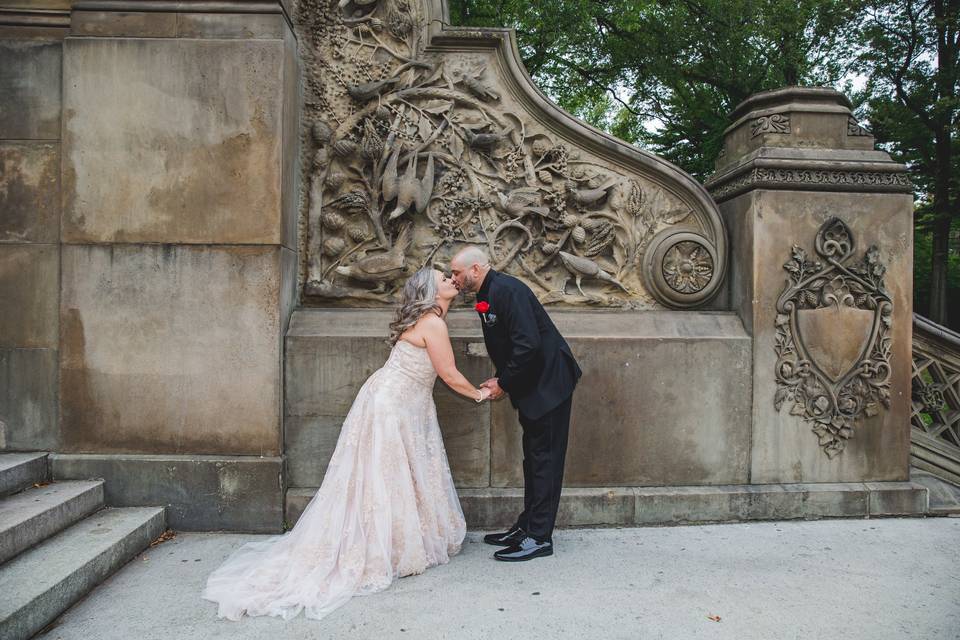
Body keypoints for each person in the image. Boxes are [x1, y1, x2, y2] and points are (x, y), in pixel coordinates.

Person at [202, 267, 491, 621]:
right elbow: (448, 374)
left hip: (396, 402)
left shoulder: (430, 320)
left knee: (382, 476)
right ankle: (389, 546)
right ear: (431, 291)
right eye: (443, 277)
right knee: (386, 476)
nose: (450, 280)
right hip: (394, 406)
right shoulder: (433, 323)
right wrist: (479, 394)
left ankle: (396, 541)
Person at [450, 247, 581, 562]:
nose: (453, 278)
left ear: (476, 269)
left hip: (549, 385)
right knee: (534, 461)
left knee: (545, 462)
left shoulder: (508, 290)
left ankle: (539, 538)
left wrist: (504, 383)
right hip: (532, 386)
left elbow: (528, 344)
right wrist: (504, 379)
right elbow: (510, 345)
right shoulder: (489, 292)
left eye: (457, 272)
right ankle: (527, 527)